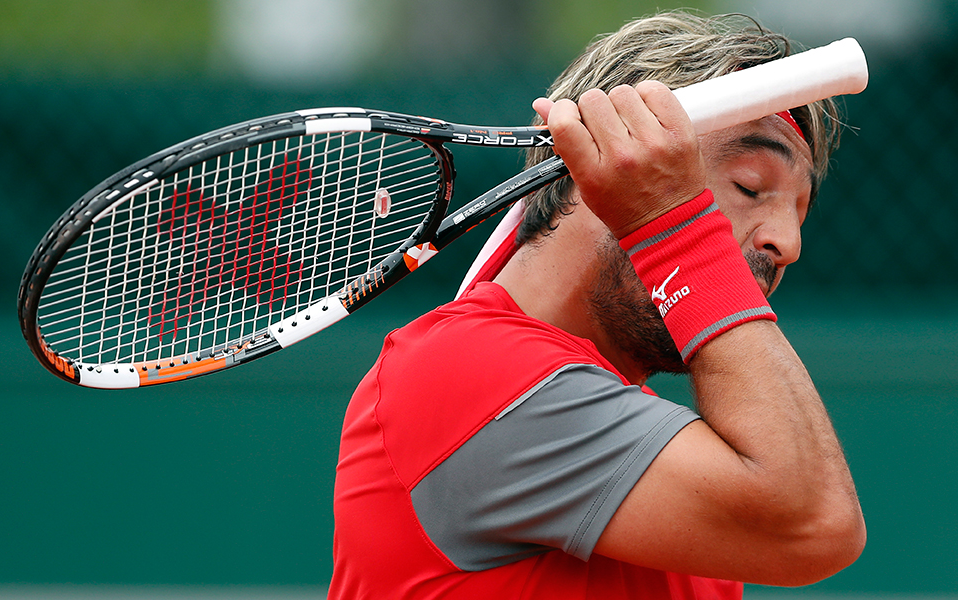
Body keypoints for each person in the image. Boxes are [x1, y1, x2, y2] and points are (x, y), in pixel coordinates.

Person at [328, 11, 866, 599]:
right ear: (608, 164)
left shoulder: (686, 479)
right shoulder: (460, 368)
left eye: (800, 212)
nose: (786, 243)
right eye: (749, 186)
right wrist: (677, 228)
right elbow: (815, 524)